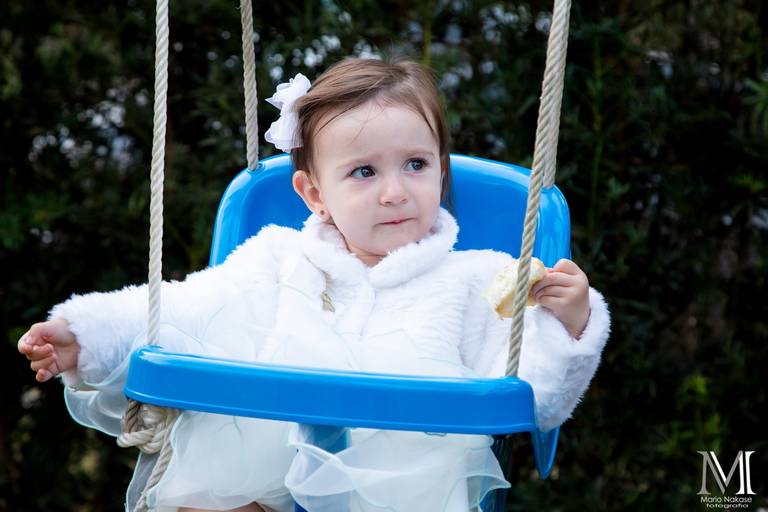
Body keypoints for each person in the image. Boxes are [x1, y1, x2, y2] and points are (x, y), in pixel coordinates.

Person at [17, 58, 611, 512]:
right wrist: (85, 333)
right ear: (314, 194)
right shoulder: (276, 257)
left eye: (416, 164)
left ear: (440, 169)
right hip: (262, 462)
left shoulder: (479, 276)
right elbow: (188, 305)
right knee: (208, 497)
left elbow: (539, 396)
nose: (395, 192)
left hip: (404, 483)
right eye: (363, 172)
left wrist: (569, 322)